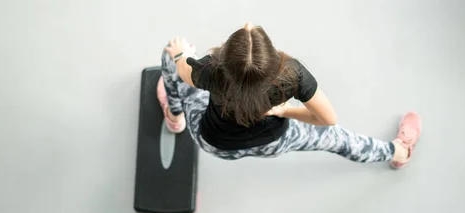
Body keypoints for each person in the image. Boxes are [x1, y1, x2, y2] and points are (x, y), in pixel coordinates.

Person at [156, 22, 421, 168]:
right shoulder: (292, 74)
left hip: (215, 143)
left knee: (168, 56)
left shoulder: (209, 70)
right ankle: (398, 153)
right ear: (272, 59)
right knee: (339, 139)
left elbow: (181, 69)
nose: (248, 24)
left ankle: (175, 117)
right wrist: (284, 110)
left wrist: (182, 53)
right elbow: (328, 120)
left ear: (223, 58)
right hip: (275, 142)